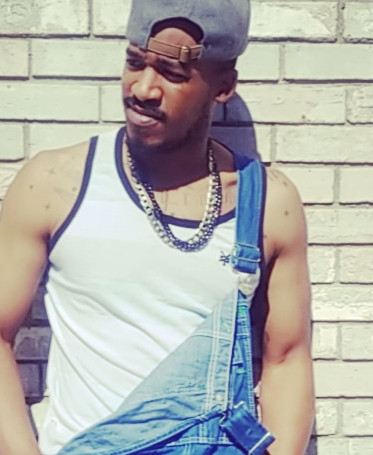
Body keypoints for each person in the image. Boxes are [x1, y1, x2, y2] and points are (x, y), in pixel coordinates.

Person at [0, 0, 314, 453]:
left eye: (172, 73)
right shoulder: (54, 184)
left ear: (223, 87)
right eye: (134, 63)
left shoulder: (268, 203)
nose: (144, 88)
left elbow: (286, 358)